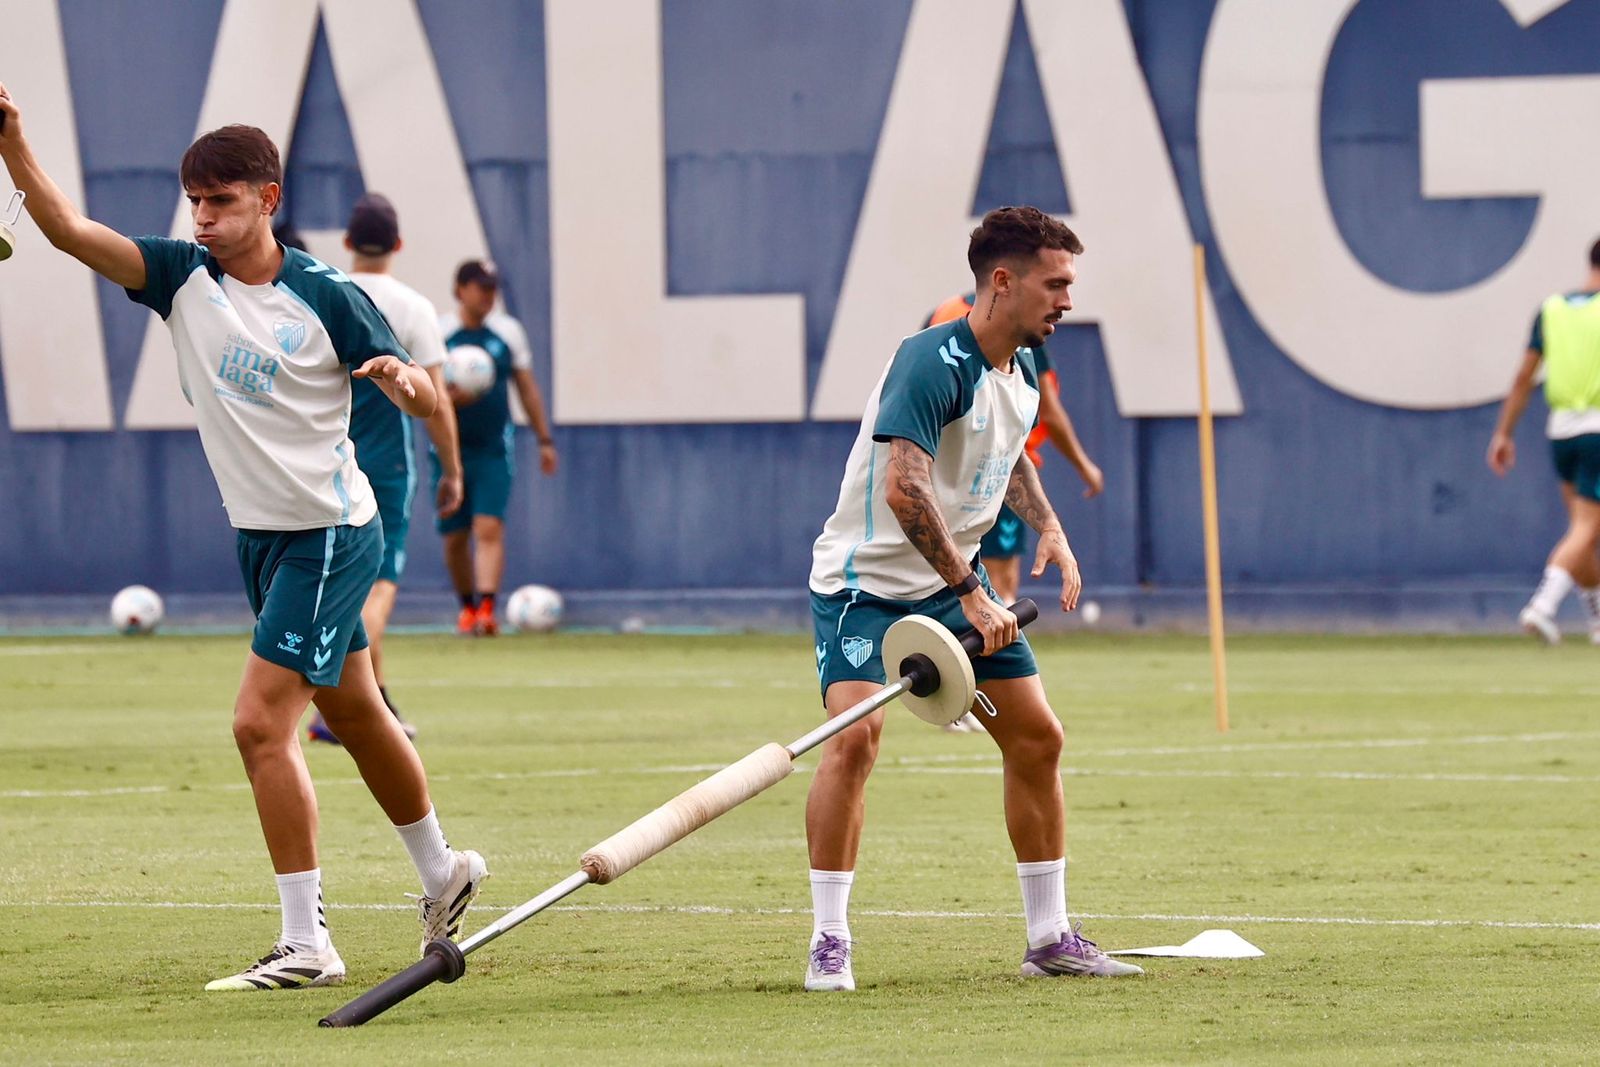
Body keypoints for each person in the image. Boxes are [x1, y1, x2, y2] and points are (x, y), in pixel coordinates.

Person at [0, 96, 488, 991]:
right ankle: (443, 870)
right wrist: (14, 145)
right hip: (263, 541)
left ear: (267, 199)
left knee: (260, 723)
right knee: (355, 710)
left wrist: (406, 387)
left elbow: (419, 387)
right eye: (193, 201)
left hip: (330, 534)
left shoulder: (326, 296)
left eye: (219, 201)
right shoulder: (181, 277)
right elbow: (68, 230)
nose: (201, 218)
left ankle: (307, 941)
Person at [803, 205, 1141, 991]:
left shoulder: (1018, 368)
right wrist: (971, 591)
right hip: (867, 588)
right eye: (1055, 284)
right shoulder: (931, 360)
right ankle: (829, 938)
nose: (1066, 300)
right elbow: (907, 488)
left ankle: (1050, 935)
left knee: (1038, 739)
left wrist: (1049, 528)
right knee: (853, 742)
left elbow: (1008, 454)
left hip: (957, 584)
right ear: (1003, 280)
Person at [306, 193, 464, 744]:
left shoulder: (324, 291)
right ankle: (334, 706)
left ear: (347, 244)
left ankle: (378, 703)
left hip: (319, 460)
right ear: (398, 245)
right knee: (377, 591)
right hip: (386, 468)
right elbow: (435, 401)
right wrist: (453, 470)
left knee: (349, 585)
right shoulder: (414, 307)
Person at [924, 293, 1105, 733]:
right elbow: (1050, 410)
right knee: (999, 584)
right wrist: (1084, 465)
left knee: (957, 576)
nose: (1060, 301)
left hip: (954, 467)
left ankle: (955, 684)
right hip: (992, 466)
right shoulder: (1015, 329)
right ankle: (968, 691)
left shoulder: (945, 313)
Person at [1488, 236, 1600, 645]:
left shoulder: (1552, 309)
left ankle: (1597, 620)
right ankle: (1543, 605)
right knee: (1587, 529)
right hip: (1597, 431)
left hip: (1562, 434)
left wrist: (1503, 432)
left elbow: (1524, 377)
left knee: (1582, 531)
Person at [437, 259, 558, 635]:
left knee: (488, 526)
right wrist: (448, 399)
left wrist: (544, 438)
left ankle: (487, 609)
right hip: (447, 450)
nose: (488, 295)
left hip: (492, 447)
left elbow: (526, 386)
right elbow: (423, 388)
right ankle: (467, 608)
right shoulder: (440, 333)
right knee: (456, 536)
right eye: (480, 286)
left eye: (492, 288)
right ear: (460, 290)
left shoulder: (507, 333)